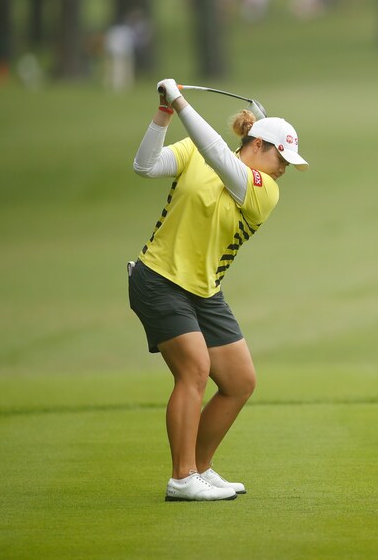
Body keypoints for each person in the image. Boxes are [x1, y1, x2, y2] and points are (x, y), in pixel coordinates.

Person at [128, 78, 308, 502]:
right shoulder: (194, 152)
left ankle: (201, 468)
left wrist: (181, 101)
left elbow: (217, 155)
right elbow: (145, 166)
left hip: (205, 290)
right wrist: (165, 113)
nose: (284, 167)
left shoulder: (265, 192)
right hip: (158, 280)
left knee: (240, 380)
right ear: (258, 145)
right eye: (281, 156)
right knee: (194, 370)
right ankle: (182, 477)